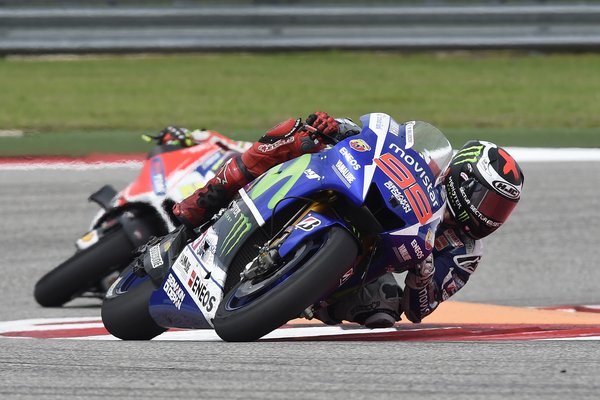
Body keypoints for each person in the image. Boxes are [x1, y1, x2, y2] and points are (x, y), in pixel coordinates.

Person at [167, 112, 525, 329]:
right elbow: (381, 143)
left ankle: (297, 290)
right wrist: (337, 126)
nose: (491, 215)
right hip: (355, 190)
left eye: (501, 209)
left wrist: (424, 268)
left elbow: (419, 309)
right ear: (463, 180)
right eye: (490, 202)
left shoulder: (465, 251)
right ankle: (206, 200)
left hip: (368, 261)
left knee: (383, 307)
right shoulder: (430, 166)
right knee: (296, 133)